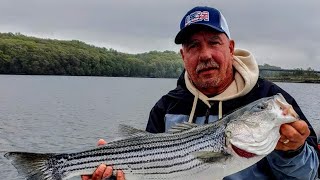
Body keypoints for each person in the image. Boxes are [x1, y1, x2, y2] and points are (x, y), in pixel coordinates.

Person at [82, 6, 320, 179]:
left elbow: (310, 175)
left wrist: (293, 152)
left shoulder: (270, 99)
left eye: (214, 42)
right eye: (193, 46)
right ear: (183, 56)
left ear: (231, 48)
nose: (205, 54)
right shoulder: (166, 107)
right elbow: (149, 169)